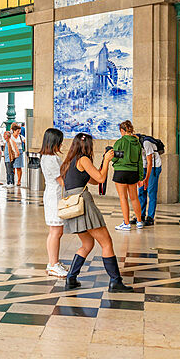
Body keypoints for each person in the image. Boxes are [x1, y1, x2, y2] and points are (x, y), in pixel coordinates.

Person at [59, 133, 132, 292]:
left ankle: (71, 278)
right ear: (87, 146)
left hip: (73, 205)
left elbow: (92, 179)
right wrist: (106, 160)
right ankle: (115, 281)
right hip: (83, 204)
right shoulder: (83, 159)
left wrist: (104, 164)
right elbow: (99, 178)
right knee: (106, 243)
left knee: (87, 243)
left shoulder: (70, 161)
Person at [39, 128, 68, 278]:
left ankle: (53, 262)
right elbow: (60, 180)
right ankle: (53, 264)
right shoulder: (50, 159)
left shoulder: (48, 156)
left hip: (53, 195)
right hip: (54, 196)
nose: (61, 144)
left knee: (56, 231)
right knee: (55, 231)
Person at [111, 120, 146, 231]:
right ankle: (139, 221)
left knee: (123, 198)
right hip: (134, 172)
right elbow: (140, 161)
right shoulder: (138, 143)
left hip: (121, 171)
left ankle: (126, 223)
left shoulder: (120, 142)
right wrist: (141, 177)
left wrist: (110, 156)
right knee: (134, 198)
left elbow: (115, 157)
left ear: (122, 130)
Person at [137, 133, 162, 226]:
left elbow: (150, 162)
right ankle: (141, 215)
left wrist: (146, 179)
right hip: (143, 167)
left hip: (153, 168)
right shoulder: (134, 144)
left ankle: (150, 217)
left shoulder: (146, 143)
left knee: (151, 191)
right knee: (141, 191)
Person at [10, 122, 26, 188]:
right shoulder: (11, 137)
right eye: (17, 131)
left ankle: (19, 181)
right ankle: (12, 180)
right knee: (12, 167)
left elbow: (25, 141)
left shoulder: (20, 137)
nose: (18, 132)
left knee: (18, 167)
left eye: (19, 131)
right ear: (14, 130)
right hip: (13, 152)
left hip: (19, 152)